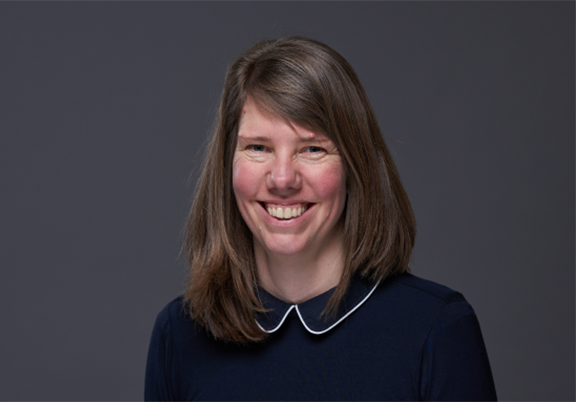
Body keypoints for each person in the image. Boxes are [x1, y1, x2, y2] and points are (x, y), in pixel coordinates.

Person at [145, 36, 497, 402]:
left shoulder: (435, 328)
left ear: (355, 165)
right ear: (226, 166)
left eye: (312, 149)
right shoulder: (180, 335)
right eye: (258, 148)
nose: (282, 179)